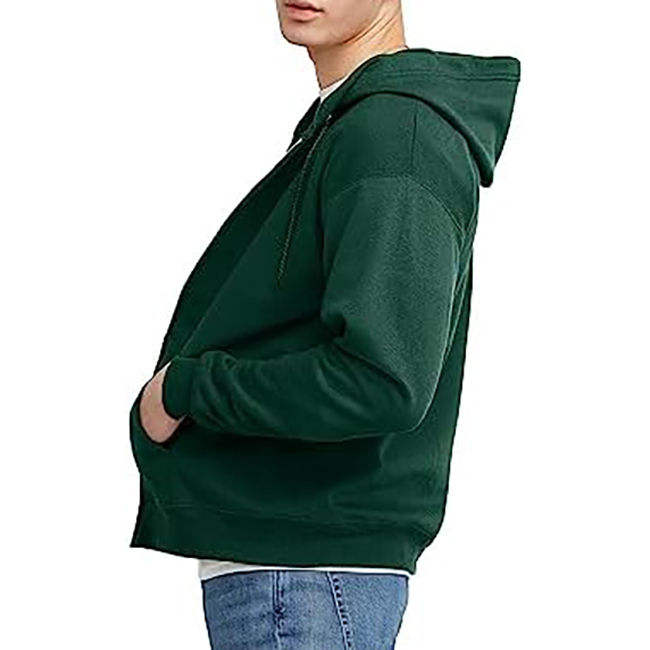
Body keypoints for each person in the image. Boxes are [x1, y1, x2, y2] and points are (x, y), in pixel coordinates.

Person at [129, 0, 520, 647]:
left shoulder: (393, 133)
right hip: (297, 571)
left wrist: (187, 389)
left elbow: (382, 379)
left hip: (303, 578)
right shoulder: (351, 124)